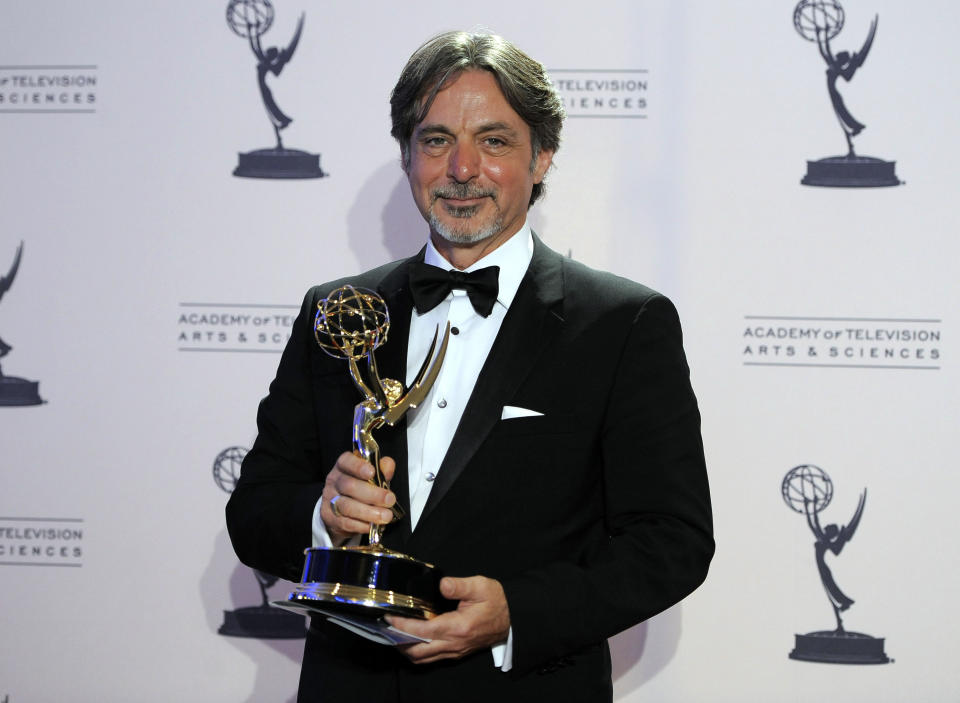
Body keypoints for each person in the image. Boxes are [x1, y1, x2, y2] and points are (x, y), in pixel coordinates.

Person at [226, 30, 713, 702]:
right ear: (407, 157)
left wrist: (519, 610)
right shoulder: (340, 313)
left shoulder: (622, 324)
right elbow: (253, 511)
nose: (461, 167)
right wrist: (324, 514)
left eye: (494, 140)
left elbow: (671, 539)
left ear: (541, 158)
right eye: (435, 140)